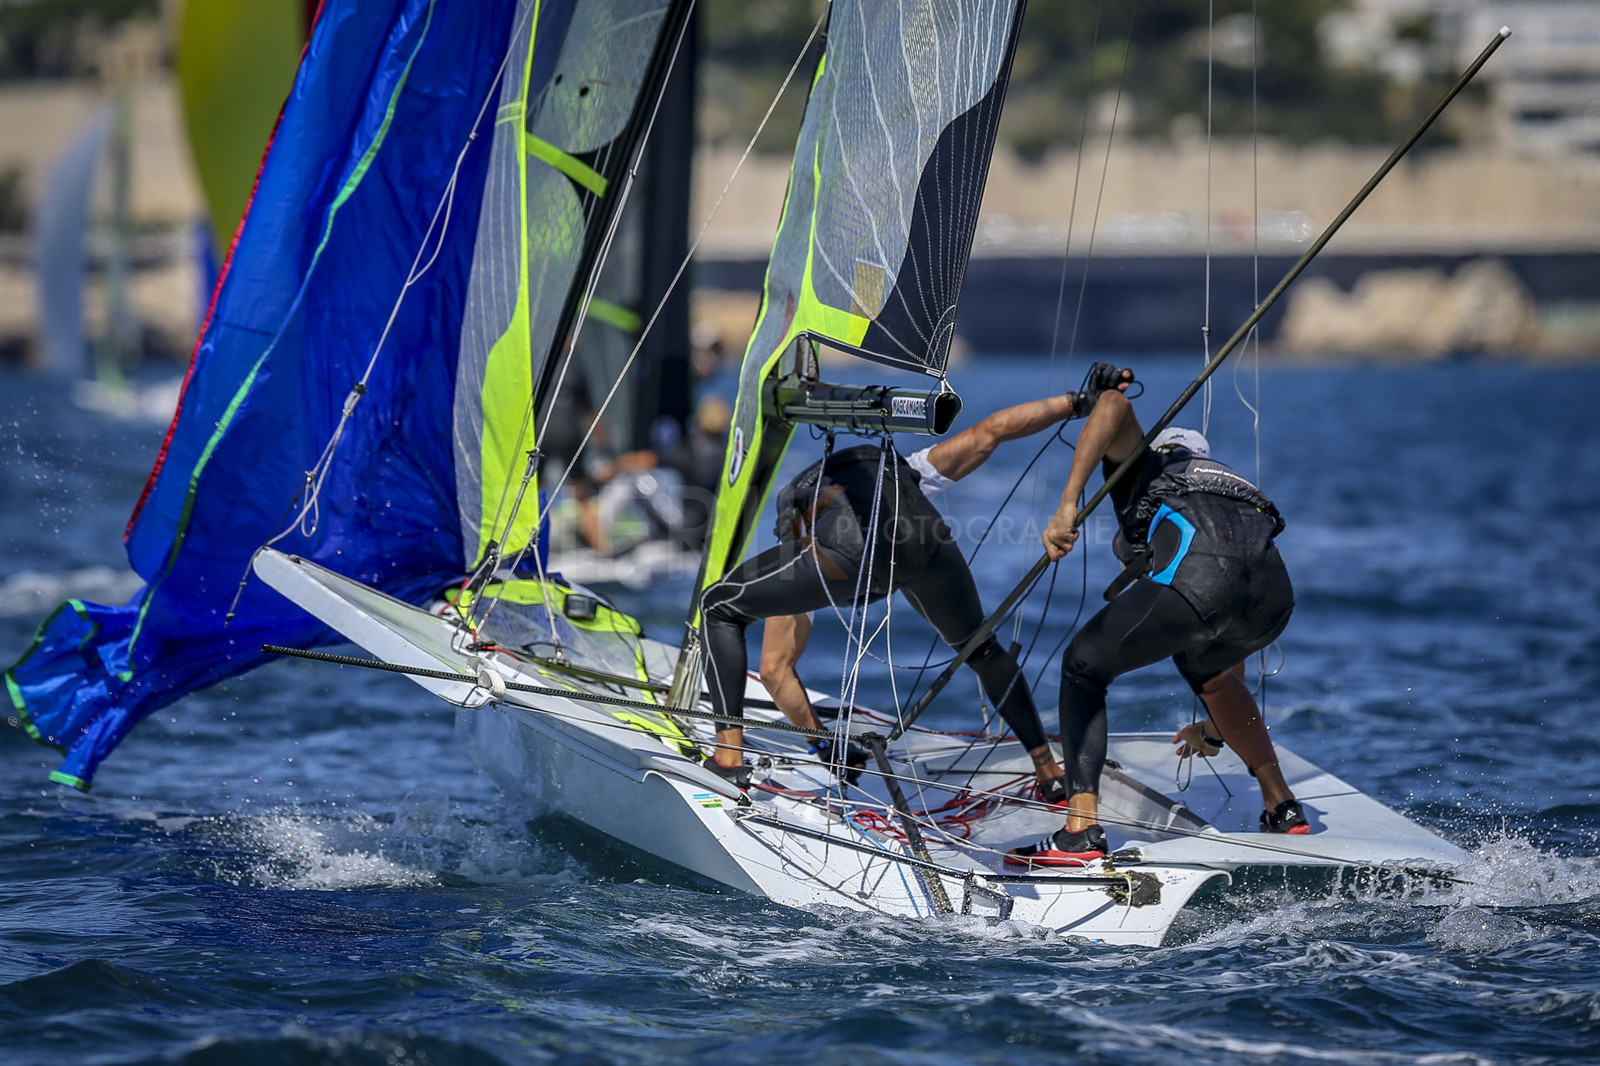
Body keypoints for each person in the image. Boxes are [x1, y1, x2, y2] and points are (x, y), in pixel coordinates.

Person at [698, 387, 1126, 794]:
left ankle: (729, 759)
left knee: (719, 606)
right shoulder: (909, 470)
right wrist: (1076, 402)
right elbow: (995, 429)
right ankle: (1047, 770)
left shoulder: (798, 520)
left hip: (846, 555)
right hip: (928, 545)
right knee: (982, 650)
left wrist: (825, 744)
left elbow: (774, 669)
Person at [1006, 387, 1305, 869]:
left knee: (1083, 668)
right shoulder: (1229, 485)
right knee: (1209, 670)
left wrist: (1066, 507)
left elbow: (1112, 406)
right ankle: (1283, 806)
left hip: (1200, 582)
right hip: (1273, 600)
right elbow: (1231, 660)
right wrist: (1212, 730)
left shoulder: (1146, 468)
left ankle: (1080, 831)